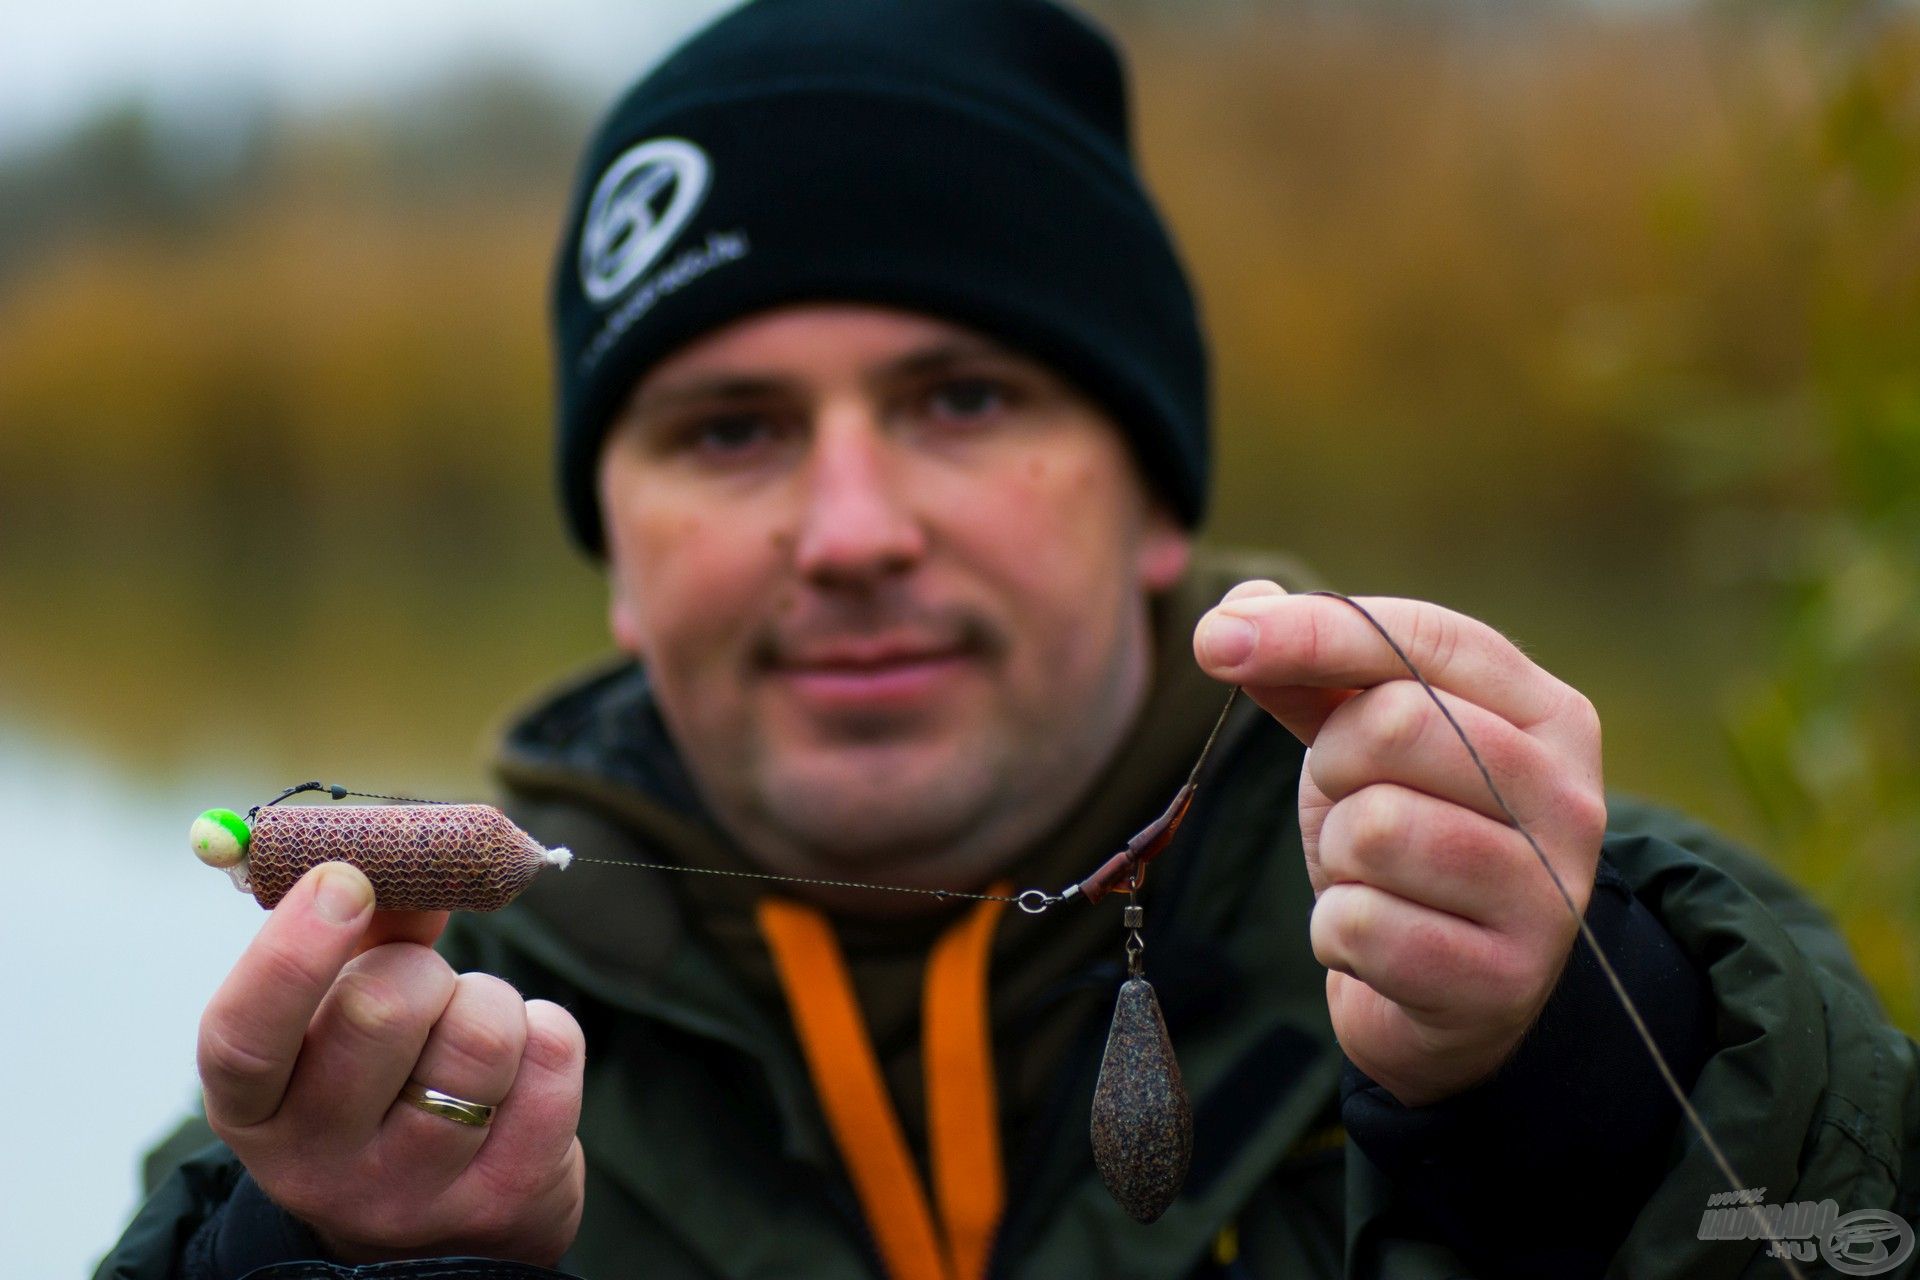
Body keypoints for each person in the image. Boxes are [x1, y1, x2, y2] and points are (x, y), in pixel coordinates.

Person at [98, 1, 1918, 1277]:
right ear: (619, 561)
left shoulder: (1612, 942)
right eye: (730, 431)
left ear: (1156, 505)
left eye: (962, 400)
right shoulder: (331, 1118)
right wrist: (326, 1269)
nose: (853, 531)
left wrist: (1588, 1095)